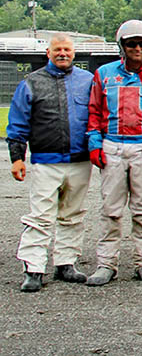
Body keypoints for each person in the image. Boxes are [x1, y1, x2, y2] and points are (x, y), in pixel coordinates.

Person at [84, 20, 142, 286]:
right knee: (110, 210)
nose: (137, 48)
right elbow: (94, 112)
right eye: (131, 43)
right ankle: (106, 264)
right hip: (112, 147)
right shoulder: (104, 74)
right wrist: (94, 144)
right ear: (121, 45)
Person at [7, 34, 93, 292]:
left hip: (80, 161)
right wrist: (17, 158)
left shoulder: (88, 82)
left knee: (72, 215)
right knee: (40, 217)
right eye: (58, 49)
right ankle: (33, 268)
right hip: (46, 162)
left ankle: (66, 263)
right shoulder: (31, 83)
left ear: (74, 53)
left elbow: (98, 117)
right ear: (48, 52)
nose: (62, 53)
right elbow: (18, 122)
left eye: (67, 49)